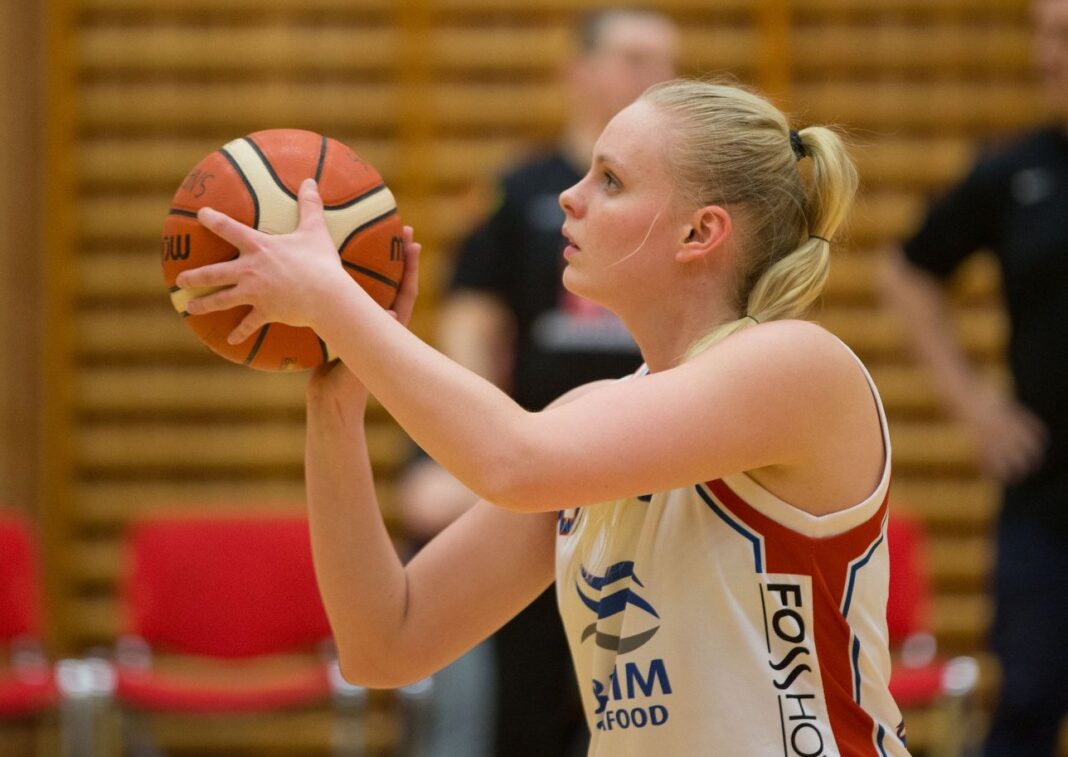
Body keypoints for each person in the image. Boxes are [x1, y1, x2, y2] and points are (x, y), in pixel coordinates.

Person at [178, 78, 910, 754]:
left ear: (700, 232)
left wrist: (334, 299)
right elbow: (386, 642)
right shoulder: (589, 417)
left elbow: (513, 462)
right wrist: (335, 401)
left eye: (610, 180)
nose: (569, 196)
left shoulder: (796, 366)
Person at [398, 9, 679, 755]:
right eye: (634, 57)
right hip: (543, 477)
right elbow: (472, 329)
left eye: (666, 60)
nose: (654, 75)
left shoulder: (682, 206)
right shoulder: (522, 193)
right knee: (522, 708)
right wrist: (462, 455)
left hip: (657, 473)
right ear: (577, 72)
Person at [879, 1, 1068, 753]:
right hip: (1047, 493)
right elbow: (906, 271)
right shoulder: (1018, 172)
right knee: (1025, 701)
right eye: (1043, 35)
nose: (1048, 54)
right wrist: (974, 406)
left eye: (1065, 35)